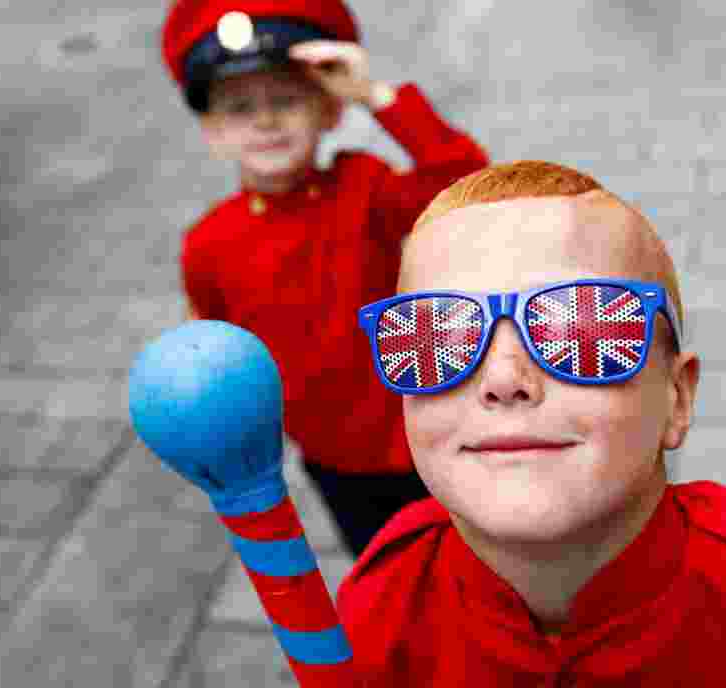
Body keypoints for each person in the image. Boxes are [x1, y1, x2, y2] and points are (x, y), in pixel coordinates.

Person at [336, 160, 726, 686]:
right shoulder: (376, 608)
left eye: (583, 328)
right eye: (435, 336)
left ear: (677, 397)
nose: (504, 378)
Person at [160, 0, 488, 555]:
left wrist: (374, 95)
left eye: (287, 100)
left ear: (329, 111)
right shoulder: (207, 245)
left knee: (481, 566)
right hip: (332, 460)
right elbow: (219, 353)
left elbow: (464, 184)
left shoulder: (366, 186)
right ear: (212, 132)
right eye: (239, 108)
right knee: (389, 575)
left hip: (431, 430)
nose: (266, 121)